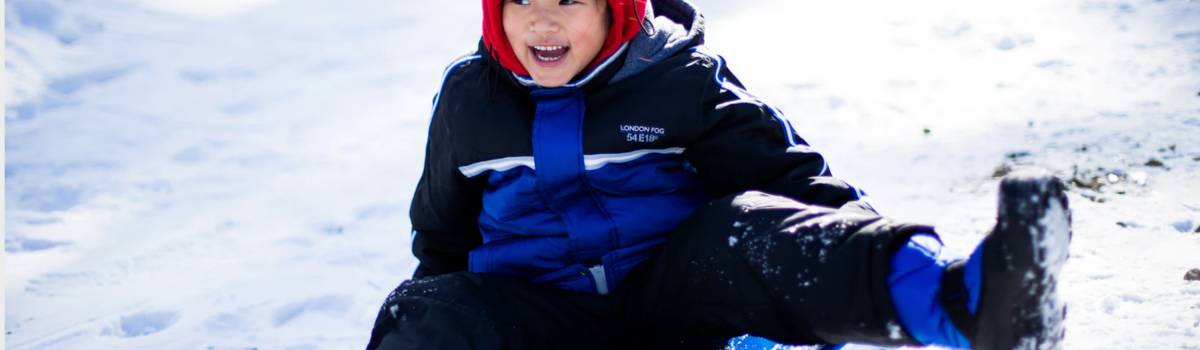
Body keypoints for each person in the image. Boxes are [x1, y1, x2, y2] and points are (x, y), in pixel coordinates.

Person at [366, 0, 1072, 349]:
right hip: (542, 320)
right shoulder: (471, 100)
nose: (544, 21)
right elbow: (442, 231)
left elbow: (797, 186)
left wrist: (821, 282)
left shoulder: (678, 80)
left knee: (745, 231)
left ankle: (967, 304)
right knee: (425, 310)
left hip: (676, 312)